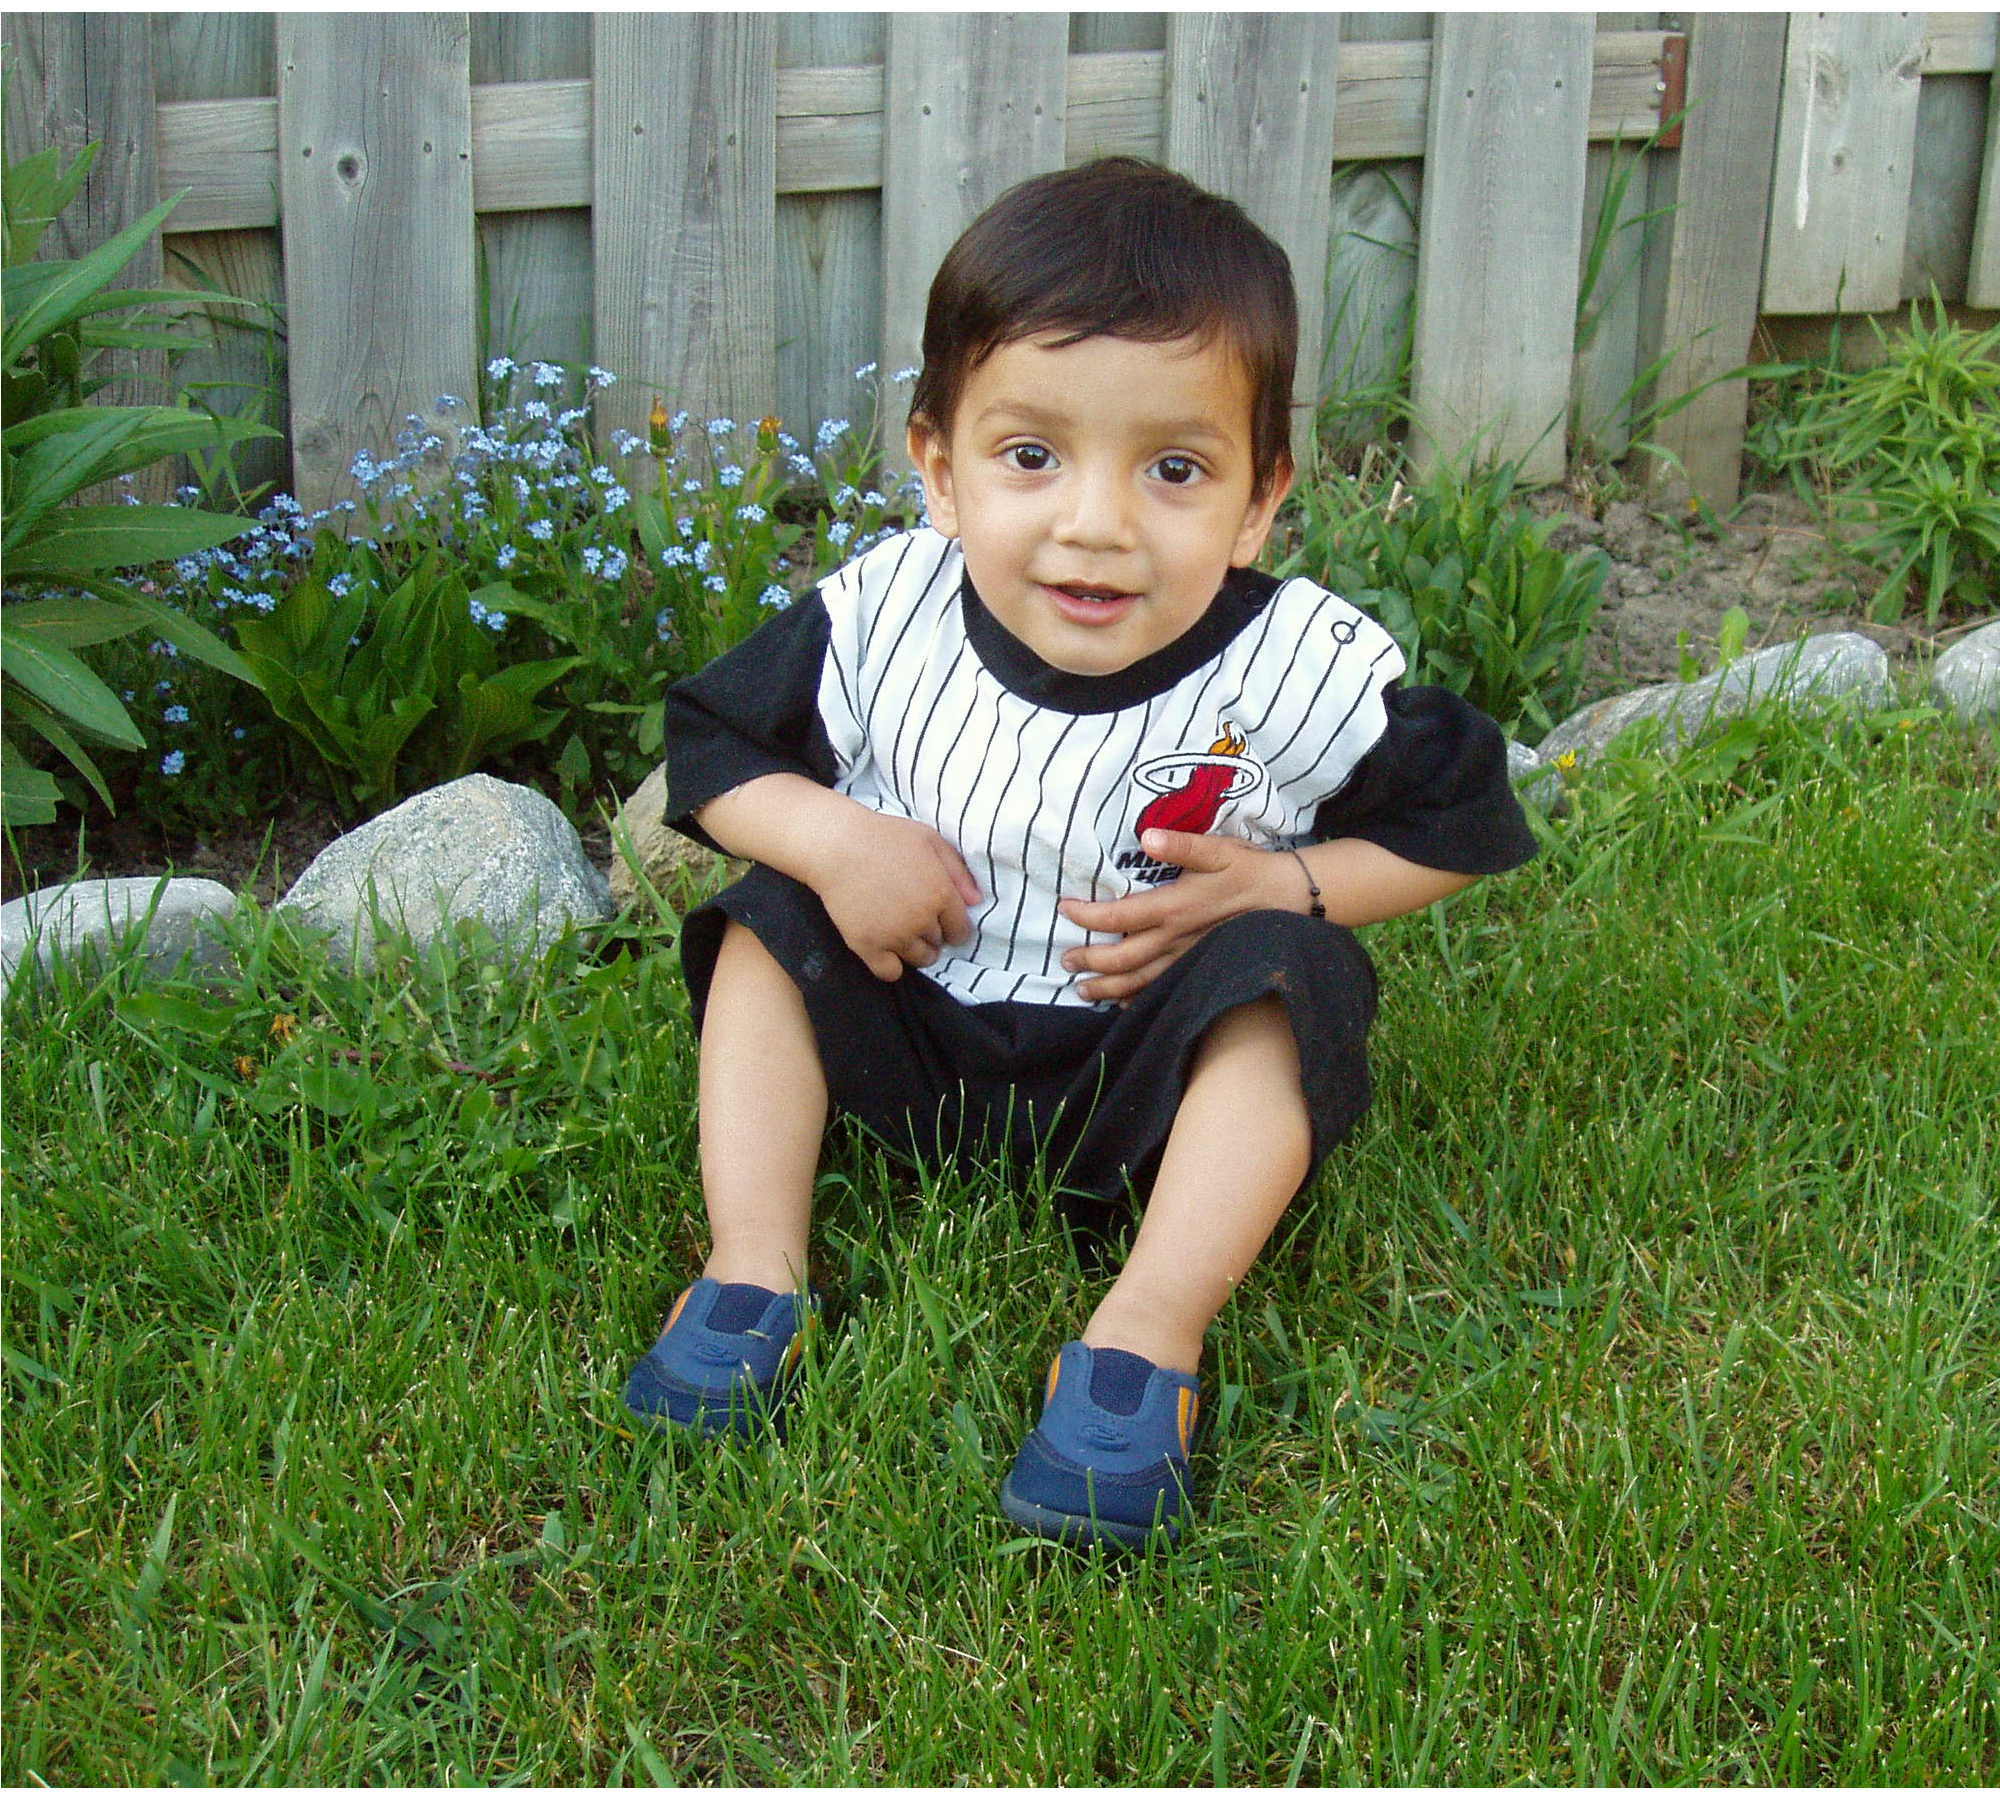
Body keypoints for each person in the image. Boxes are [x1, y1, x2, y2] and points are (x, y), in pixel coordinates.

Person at [623, 156, 1535, 1549]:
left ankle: (1143, 1339)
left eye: (1174, 469)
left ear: (1256, 501)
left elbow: (1459, 821)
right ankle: (752, 1269)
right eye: (1032, 456)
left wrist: (1287, 884)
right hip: (909, 1018)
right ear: (940, 469)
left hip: (1143, 1068)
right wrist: (837, 839)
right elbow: (711, 746)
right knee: (767, 917)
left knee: (1290, 975)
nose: (1095, 524)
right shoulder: (883, 615)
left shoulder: (1294, 667)